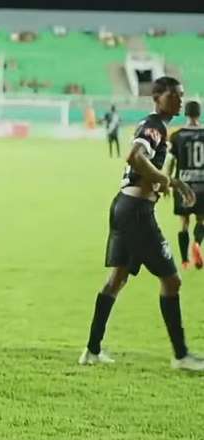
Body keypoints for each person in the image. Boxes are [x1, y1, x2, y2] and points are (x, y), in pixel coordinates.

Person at [78, 76, 204, 371]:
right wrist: (166, 179)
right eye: (174, 96)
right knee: (171, 281)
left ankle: (92, 351)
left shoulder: (159, 126)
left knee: (117, 280)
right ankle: (181, 356)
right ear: (157, 97)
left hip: (124, 206)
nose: (180, 101)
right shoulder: (154, 126)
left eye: (182, 96)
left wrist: (164, 183)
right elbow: (135, 156)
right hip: (136, 212)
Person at [165, 101, 204, 269]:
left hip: (183, 186)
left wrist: (167, 180)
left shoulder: (177, 135)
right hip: (202, 184)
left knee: (184, 223)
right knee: (201, 220)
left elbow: (171, 161)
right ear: (199, 114)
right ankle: (197, 243)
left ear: (186, 114)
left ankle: (185, 260)